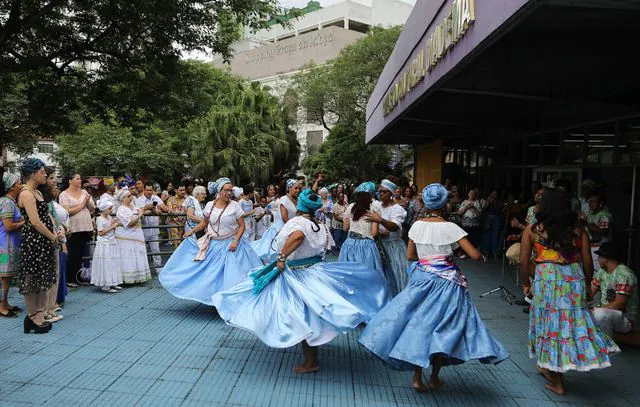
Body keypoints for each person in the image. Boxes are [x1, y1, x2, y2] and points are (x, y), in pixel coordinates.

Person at [212, 188, 388, 373]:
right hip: (314, 271)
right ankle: (308, 354)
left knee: (299, 314)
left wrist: (281, 257)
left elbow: (297, 237)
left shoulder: (298, 222)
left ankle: (309, 360)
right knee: (307, 314)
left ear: (301, 206)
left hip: (298, 274)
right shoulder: (319, 223)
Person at [359, 184, 507, 392]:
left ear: (426, 203)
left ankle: (417, 376)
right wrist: (471, 256)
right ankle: (435, 377)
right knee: (443, 328)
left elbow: (411, 256)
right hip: (447, 283)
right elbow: (473, 255)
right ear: (445, 203)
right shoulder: (451, 228)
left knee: (419, 325)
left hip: (422, 278)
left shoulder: (418, 226)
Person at [519, 189, 619, 396]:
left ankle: (557, 380)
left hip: (547, 278)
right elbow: (588, 261)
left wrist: (525, 284)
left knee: (549, 324)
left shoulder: (533, 229)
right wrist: (588, 286)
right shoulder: (578, 230)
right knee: (568, 324)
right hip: (573, 278)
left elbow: (523, 261)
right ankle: (548, 367)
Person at [159, 178, 262, 305]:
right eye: (226, 190)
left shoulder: (235, 206)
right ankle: (214, 299)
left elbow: (242, 226)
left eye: (230, 190)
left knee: (233, 274)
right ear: (219, 191)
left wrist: (235, 241)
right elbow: (204, 222)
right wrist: (192, 232)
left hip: (232, 244)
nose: (229, 193)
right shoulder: (209, 205)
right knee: (211, 274)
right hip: (214, 244)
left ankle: (232, 301)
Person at [17, 158, 59, 334]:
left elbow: (47, 216)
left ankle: (40, 312)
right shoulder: (26, 194)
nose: (45, 175)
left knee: (43, 278)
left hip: (43, 241)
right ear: (33, 174)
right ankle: (32, 315)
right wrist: (52, 236)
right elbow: (34, 221)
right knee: (31, 278)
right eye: (42, 172)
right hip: (34, 242)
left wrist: (54, 232)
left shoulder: (38, 193)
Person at [364, 179, 408, 296]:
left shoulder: (397, 209)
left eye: (384, 192)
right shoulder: (376, 205)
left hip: (393, 247)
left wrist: (380, 220)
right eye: (379, 191)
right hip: (378, 246)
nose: (380, 194)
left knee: (395, 275)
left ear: (391, 194)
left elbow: (394, 227)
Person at [591, 242, 638, 337]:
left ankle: (608, 347)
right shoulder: (602, 271)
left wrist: (596, 310)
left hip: (626, 318)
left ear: (605, 259)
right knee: (584, 311)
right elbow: (591, 291)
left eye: (599, 256)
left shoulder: (624, 274)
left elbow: (619, 303)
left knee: (600, 314)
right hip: (608, 311)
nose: (597, 259)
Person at [59, 173, 95, 287]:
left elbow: (92, 208)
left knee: (81, 253)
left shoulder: (84, 192)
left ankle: (79, 277)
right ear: (70, 181)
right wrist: (82, 204)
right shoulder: (64, 194)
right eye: (77, 178)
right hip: (73, 228)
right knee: (72, 253)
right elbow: (67, 211)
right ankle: (69, 278)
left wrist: (88, 201)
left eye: (80, 178)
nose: (80, 180)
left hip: (86, 227)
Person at [339, 182, 383, 274]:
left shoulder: (351, 207)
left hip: (350, 243)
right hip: (367, 246)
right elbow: (374, 233)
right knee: (367, 274)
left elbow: (345, 228)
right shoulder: (374, 209)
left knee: (349, 274)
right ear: (371, 195)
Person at [115, 188, 152, 284]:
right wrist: (139, 215)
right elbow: (129, 223)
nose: (131, 198)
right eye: (128, 196)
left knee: (137, 254)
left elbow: (142, 210)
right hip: (127, 237)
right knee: (128, 256)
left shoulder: (133, 207)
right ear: (122, 198)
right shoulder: (121, 209)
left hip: (137, 235)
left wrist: (143, 210)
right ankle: (128, 279)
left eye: (131, 195)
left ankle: (137, 277)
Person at [0, 172, 24, 317]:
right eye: (19, 183)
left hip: (8, 246)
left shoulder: (10, 202)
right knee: (3, 275)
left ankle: (5, 302)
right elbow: (8, 226)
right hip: (4, 248)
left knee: (6, 276)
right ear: (12, 186)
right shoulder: (7, 203)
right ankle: (2, 304)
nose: (21, 185)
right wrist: (24, 222)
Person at [135, 182, 170, 271]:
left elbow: (163, 207)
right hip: (143, 228)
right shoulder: (139, 200)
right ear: (144, 190)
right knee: (142, 251)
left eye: (150, 190)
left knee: (156, 250)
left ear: (153, 190)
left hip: (154, 228)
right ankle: (143, 270)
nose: (149, 192)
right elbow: (140, 211)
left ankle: (158, 269)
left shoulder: (156, 198)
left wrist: (166, 210)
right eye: (147, 190)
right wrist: (149, 209)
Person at [91, 199, 123, 293]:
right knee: (106, 263)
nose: (111, 210)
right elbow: (101, 233)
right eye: (109, 208)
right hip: (105, 244)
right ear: (104, 209)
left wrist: (113, 223)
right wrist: (112, 227)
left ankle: (113, 281)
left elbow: (109, 227)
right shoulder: (100, 219)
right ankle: (106, 284)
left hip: (111, 242)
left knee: (113, 262)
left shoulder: (108, 217)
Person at [585, 194, 613, 271]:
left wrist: (586, 224)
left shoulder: (605, 216)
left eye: (594, 202)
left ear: (601, 203)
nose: (590, 204)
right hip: (589, 246)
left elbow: (603, 232)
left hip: (601, 248)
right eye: (590, 202)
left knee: (598, 271)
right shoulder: (590, 215)